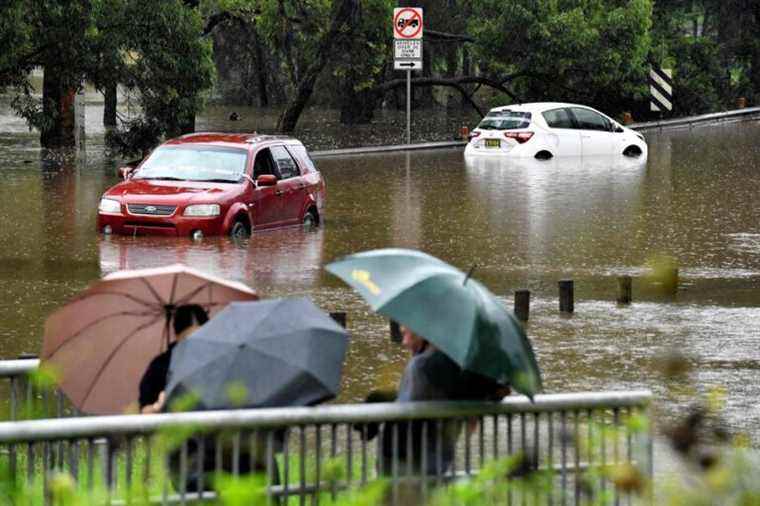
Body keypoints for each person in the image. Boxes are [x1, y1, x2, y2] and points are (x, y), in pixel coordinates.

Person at [377, 325, 510, 478]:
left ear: (422, 335)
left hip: (409, 454)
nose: (404, 342)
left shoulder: (426, 363)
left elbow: (410, 405)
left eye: (407, 335)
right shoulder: (444, 360)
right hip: (427, 452)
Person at [139, 304, 209, 413]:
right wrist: (157, 408)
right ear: (177, 336)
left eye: (200, 337)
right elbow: (145, 408)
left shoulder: (216, 360)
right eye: (187, 339)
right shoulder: (160, 365)